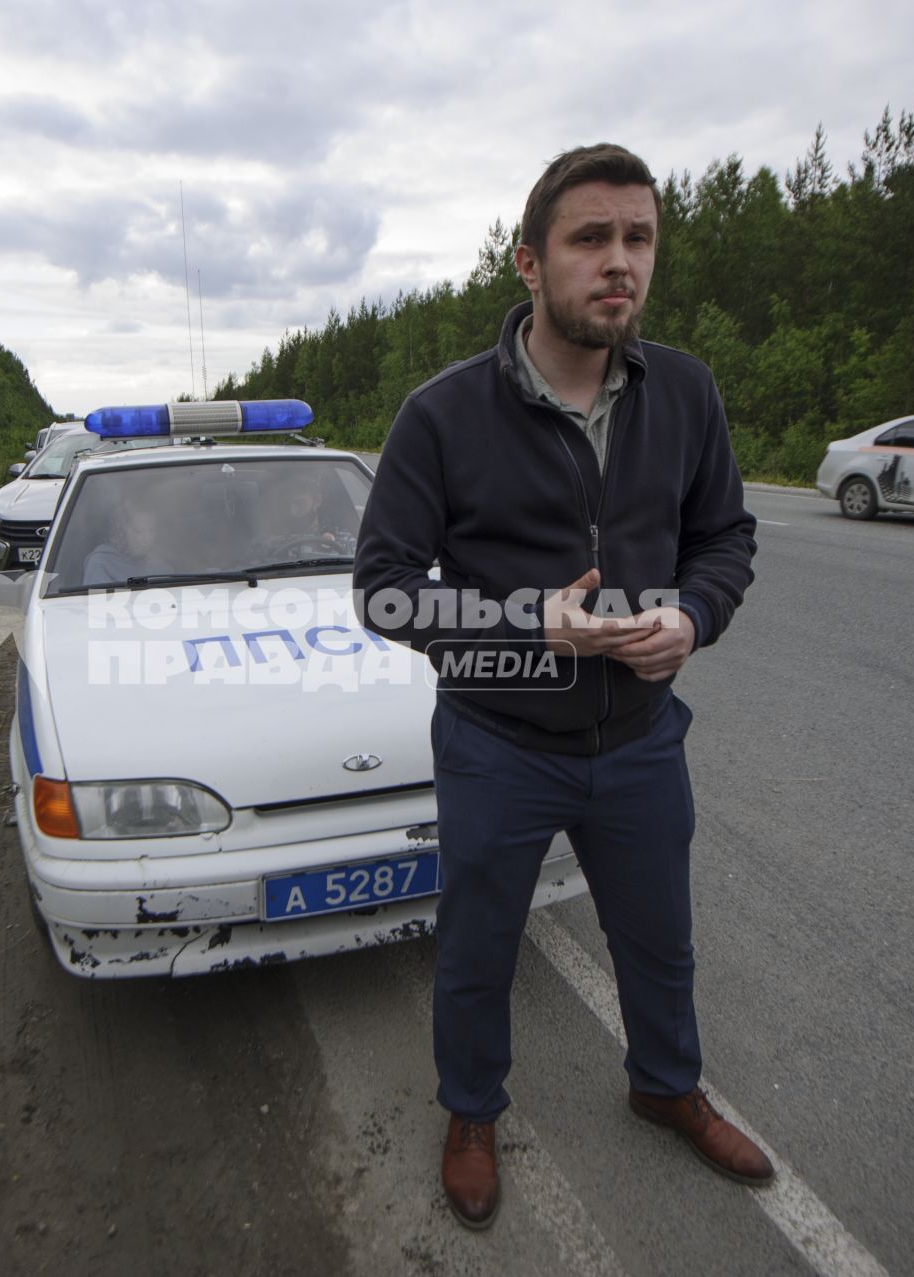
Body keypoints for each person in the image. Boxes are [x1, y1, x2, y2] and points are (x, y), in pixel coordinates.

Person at [353, 144, 763, 1230]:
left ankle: (665, 1082)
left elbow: (726, 535)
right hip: (498, 742)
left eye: (639, 239)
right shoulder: (441, 415)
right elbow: (384, 590)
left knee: (659, 936)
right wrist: (519, 621)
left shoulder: (684, 391)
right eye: (592, 239)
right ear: (530, 262)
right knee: (480, 945)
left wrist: (693, 617)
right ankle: (473, 1109)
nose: (619, 262)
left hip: (638, 737)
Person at [83, 503, 169, 585]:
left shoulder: (159, 565)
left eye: (151, 530)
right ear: (121, 531)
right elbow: (96, 599)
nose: (146, 539)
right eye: (138, 531)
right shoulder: (101, 564)